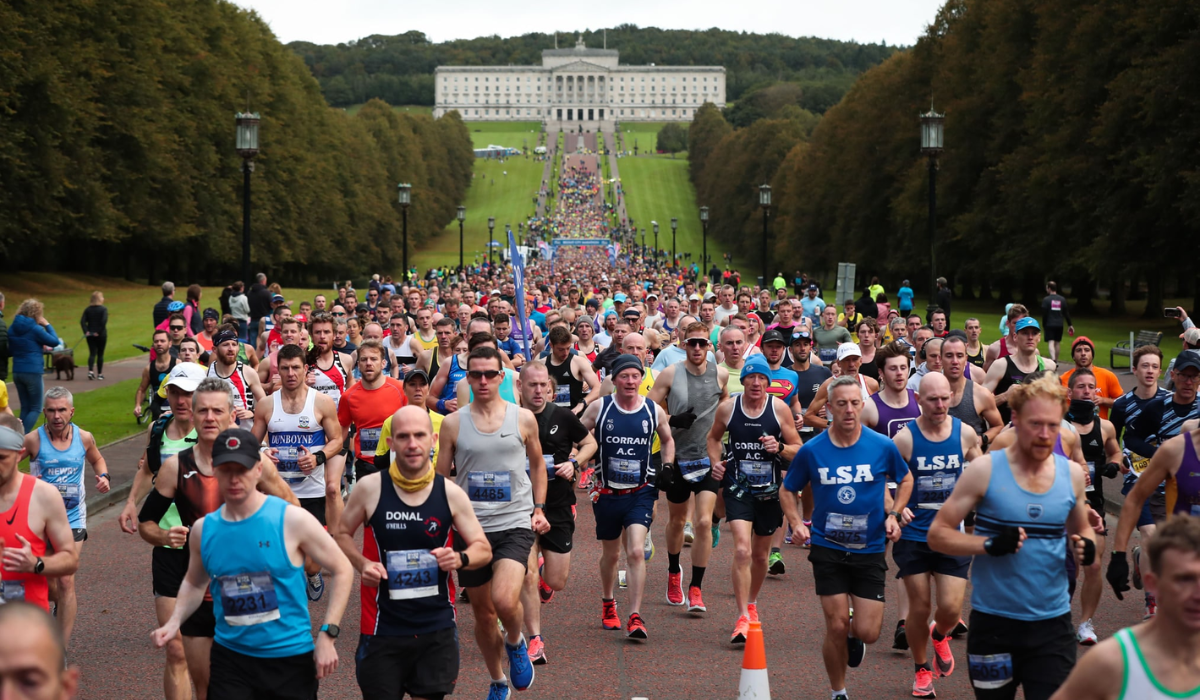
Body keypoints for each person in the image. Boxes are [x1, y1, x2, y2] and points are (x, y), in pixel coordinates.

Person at [151, 427, 354, 700]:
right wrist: (174, 622)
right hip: (231, 659)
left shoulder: (292, 520)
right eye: (226, 469)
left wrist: (329, 633)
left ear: (259, 469)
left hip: (289, 658)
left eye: (242, 469)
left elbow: (342, 568)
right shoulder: (203, 529)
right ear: (214, 470)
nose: (234, 479)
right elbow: (195, 581)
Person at [928, 374, 1097, 700]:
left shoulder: (1072, 475)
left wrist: (1086, 545)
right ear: (1015, 419)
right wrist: (987, 545)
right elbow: (938, 535)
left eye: (1053, 425)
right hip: (994, 626)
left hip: (1052, 625)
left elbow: (1082, 528)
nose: (1045, 435)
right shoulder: (985, 470)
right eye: (1036, 424)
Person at [333, 406, 493, 700]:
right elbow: (341, 534)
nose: (412, 444)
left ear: (433, 440)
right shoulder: (370, 488)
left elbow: (483, 549)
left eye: (419, 435)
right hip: (381, 628)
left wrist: (460, 559)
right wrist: (362, 563)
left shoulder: (450, 492)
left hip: (436, 627)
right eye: (403, 437)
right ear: (391, 443)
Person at [782, 376, 913, 700]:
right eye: (841, 404)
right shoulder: (812, 450)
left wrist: (894, 514)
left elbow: (905, 479)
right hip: (828, 547)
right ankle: (838, 690)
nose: (849, 410)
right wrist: (797, 522)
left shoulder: (882, 446)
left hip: (869, 548)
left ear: (863, 405)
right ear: (828, 409)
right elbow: (788, 490)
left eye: (855, 403)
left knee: (867, 632)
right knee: (836, 624)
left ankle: (856, 637)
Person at [435, 346, 547, 698]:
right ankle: (498, 680)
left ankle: (515, 641)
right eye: (476, 374)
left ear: (502, 377)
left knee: (503, 598)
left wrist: (539, 508)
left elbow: (539, 466)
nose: (483, 380)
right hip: (471, 529)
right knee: (483, 616)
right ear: (467, 378)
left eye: (490, 374)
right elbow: (441, 478)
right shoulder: (453, 423)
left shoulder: (522, 418)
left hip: (514, 522)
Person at [892, 373, 982, 698]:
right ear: (919, 400)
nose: (940, 405)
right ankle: (920, 669)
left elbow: (982, 469)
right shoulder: (905, 439)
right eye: (933, 399)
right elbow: (881, 479)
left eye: (945, 398)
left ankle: (940, 635)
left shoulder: (965, 434)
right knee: (919, 606)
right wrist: (895, 507)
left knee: (950, 608)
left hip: (950, 534)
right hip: (913, 534)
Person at [117, 362, 203, 700]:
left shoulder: (217, 432)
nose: (181, 400)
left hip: (210, 550)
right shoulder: (158, 427)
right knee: (176, 648)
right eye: (176, 392)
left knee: (213, 650)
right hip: (168, 546)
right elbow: (148, 467)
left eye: (189, 393)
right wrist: (129, 503)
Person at [580, 354, 676, 640]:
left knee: (635, 550)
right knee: (611, 555)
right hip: (607, 492)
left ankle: (635, 615)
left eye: (636, 376)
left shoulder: (652, 410)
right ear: (615, 379)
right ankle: (609, 603)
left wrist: (668, 466)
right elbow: (577, 434)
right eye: (625, 376)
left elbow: (668, 439)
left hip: (641, 491)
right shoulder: (600, 408)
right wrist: (578, 457)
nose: (631, 381)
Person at [1053, 515, 1200, 700]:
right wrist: (1118, 555)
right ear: (1152, 584)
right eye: (1184, 579)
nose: (1197, 593)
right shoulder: (1111, 661)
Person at [708, 355, 802, 643]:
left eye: (762, 378)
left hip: (770, 491)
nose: (757, 383)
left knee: (761, 556)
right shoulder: (728, 408)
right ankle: (741, 617)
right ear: (744, 380)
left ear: (768, 383)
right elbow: (713, 439)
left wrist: (780, 446)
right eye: (752, 378)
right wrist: (716, 462)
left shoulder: (779, 409)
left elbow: (798, 448)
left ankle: (751, 603)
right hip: (738, 487)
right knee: (742, 551)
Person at [516, 361, 597, 664]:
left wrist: (574, 463)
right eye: (532, 385)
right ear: (520, 387)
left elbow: (589, 442)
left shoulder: (562, 416)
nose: (538, 390)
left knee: (557, 580)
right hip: (522, 506)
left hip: (559, 503)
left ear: (549, 388)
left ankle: (540, 572)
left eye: (542, 385)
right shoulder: (511, 418)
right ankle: (534, 638)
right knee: (525, 572)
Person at [647, 322, 730, 612]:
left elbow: (726, 405)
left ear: (710, 346)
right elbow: (648, 409)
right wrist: (671, 420)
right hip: (678, 458)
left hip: (707, 457)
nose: (697, 348)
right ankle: (673, 572)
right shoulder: (671, 373)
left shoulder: (720, 374)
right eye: (692, 342)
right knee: (678, 522)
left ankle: (696, 588)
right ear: (683, 344)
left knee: (704, 522)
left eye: (702, 343)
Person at [24, 387, 108, 644]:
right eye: (51, 410)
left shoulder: (84, 437)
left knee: (65, 579)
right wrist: (26, 481)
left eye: (62, 410)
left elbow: (98, 460)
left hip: (72, 519)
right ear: (44, 412)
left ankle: (58, 647)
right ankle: (56, 610)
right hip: (40, 521)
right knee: (47, 584)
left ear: (71, 411)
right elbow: (6, 466)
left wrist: (103, 476)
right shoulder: (33, 440)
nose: (57, 416)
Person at [252, 343, 345, 540]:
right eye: (285, 368)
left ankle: (314, 573)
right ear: (279, 371)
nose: (290, 373)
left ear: (305, 369)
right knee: (280, 545)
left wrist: (318, 458)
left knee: (312, 554)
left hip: (312, 490)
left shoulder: (322, 401)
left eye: (295, 368)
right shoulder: (266, 404)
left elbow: (337, 441)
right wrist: (262, 452)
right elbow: (251, 444)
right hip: (276, 489)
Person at [1064, 369, 1124, 645]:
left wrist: (1113, 463)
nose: (1087, 391)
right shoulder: (1059, 426)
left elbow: (1115, 450)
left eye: (1092, 387)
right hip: (1064, 505)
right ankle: (1058, 616)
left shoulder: (1105, 426)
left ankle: (1085, 623)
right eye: (1081, 387)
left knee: (1093, 563)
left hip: (1094, 504)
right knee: (1068, 567)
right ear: (1070, 392)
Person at [0, 413, 79, 614]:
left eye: (2, 458)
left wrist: (36, 563)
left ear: (20, 454)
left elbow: (70, 559)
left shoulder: (43, 496)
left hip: (28, 629)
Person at [337, 340, 407, 484]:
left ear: (383, 364)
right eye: (364, 359)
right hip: (366, 464)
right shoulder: (348, 396)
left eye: (374, 359)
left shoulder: (400, 390)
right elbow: (341, 432)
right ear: (358, 365)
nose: (368, 363)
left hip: (396, 461)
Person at [985, 317, 1055, 425]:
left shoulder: (1048, 367)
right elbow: (979, 404)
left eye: (1034, 333)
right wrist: (1004, 396)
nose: (1030, 337)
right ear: (1015, 337)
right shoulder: (1001, 365)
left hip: (1037, 434)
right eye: (1025, 333)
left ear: (1039, 337)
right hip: (1005, 435)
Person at [9, 299, 60, 433]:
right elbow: (54, 341)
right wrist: (47, 324)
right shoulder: (35, 329)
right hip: (32, 370)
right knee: (36, 408)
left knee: (25, 407)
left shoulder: (12, 327)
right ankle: (20, 439)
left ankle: (16, 436)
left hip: (17, 370)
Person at [207, 327, 266, 429]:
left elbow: (266, 404)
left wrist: (252, 412)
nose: (231, 349)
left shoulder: (248, 373)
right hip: (216, 434)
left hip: (244, 434)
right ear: (214, 350)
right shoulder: (207, 374)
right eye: (225, 345)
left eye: (234, 344)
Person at [863, 341, 920, 438]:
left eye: (903, 368)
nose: (899, 373)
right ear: (881, 373)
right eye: (893, 368)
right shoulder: (868, 408)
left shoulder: (920, 401)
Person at [1059, 337, 1123, 420]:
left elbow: (1123, 403)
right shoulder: (1062, 379)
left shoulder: (1107, 376)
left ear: (1092, 354)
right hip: (1072, 428)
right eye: (1078, 350)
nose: (1083, 353)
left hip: (1100, 428)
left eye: (1087, 350)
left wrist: (1104, 400)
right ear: (1073, 356)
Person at [1040, 281, 1074, 364]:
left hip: (1049, 323)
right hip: (1059, 324)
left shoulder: (1046, 300)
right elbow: (1066, 313)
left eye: (1047, 288)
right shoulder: (1062, 299)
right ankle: (1056, 360)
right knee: (1057, 342)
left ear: (1049, 288)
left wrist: (1044, 324)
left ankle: (1053, 359)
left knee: (1051, 342)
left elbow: (1044, 314)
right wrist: (1070, 325)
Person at [80, 291, 108, 380]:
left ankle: (90, 371)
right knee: (100, 354)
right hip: (101, 334)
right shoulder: (103, 309)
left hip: (90, 334)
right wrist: (98, 332)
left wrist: (86, 331)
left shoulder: (88, 309)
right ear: (100, 299)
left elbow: (82, 321)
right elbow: (103, 322)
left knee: (92, 353)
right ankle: (99, 374)